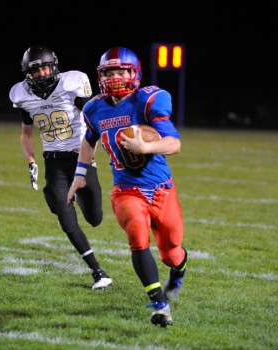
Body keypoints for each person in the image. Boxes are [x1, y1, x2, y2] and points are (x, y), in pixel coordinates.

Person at [67, 47, 188, 327]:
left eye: (121, 71)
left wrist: (146, 146)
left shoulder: (148, 100)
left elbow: (174, 143)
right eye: (109, 72)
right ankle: (159, 304)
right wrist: (80, 173)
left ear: (134, 73)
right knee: (137, 232)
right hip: (126, 190)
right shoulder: (95, 107)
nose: (115, 77)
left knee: (172, 251)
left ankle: (179, 272)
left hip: (162, 188)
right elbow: (89, 138)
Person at [9, 45, 112, 290]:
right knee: (66, 218)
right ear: (27, 74)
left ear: (54, 67)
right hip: (54, 162)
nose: (42, 74)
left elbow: (94, 123)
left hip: (81, 159)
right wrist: (31, 161)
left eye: (45, 68)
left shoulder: (72, 84)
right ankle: (97, 271)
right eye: (36, 70)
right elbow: (25, 134)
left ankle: (75, 195)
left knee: (95, 218)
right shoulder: (21, 95)